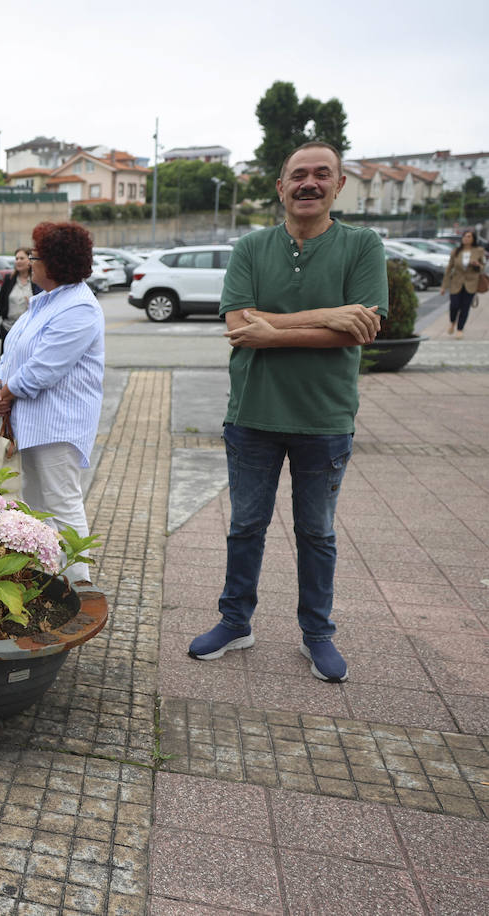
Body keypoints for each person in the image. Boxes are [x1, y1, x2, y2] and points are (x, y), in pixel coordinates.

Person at [187, 141, 387, 684]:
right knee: (246, 526)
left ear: (338, 185)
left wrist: (272, 330)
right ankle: (235, 622)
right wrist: (330, 317)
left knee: (316, 532)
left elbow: (363, 329)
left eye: (323, 174)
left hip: (324, 420)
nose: (309, 183)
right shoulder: (251, 246)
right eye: (298, 174)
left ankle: (317, 634)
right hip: (252, 415)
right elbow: (239, 325)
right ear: (280, 187)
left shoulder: (363, 245)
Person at [0, 223, 104, 584]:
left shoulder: (79, 308)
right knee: (37, 507)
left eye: (34, 256)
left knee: (62, 504)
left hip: (58, 426)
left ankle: (79, 584)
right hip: (32, 422)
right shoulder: (43, 302)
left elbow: (44, 368)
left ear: (53, 263)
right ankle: (48, 577)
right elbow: (13, 350)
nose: (28, 263)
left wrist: (5, 393)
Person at [440, 230, 485, 338]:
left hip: (471, 283)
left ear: (473, 238)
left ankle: (460, 329)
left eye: (469, 237)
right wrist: (444, 286)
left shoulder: (479, 250)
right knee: (454, 305)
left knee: (465, 307)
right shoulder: (456, 251)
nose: (466, 238)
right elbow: (449, 268)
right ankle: (452, 322)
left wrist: (477, 265)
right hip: (456, 282)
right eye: (465, 236)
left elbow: (483, 267)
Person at [0, 247, 41, 355]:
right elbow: (0, 304)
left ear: (30, 260)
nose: (18, 261)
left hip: (28, 331)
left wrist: (32, 303)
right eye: (16, 258)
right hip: (8, 329)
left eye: (22, 258)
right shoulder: (9, 279)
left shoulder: (36, 281)